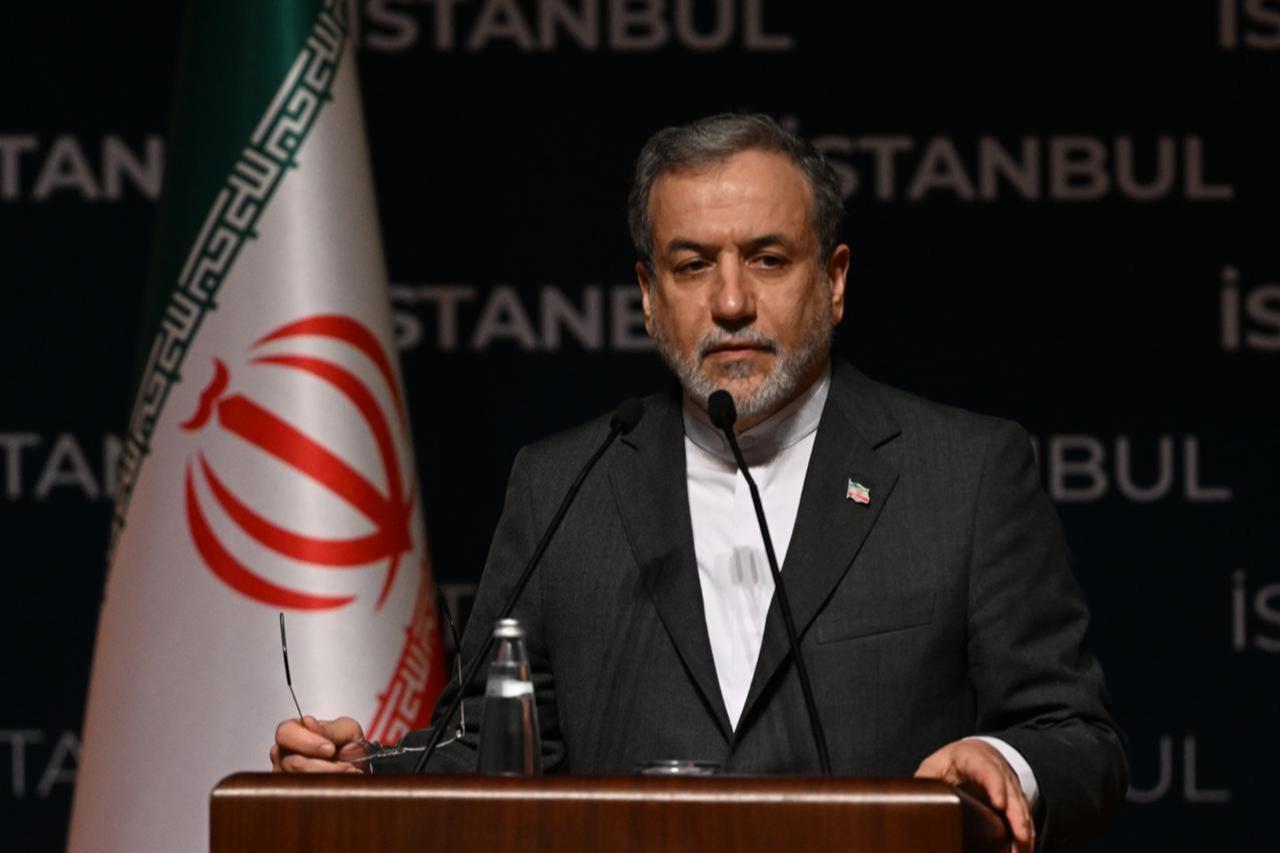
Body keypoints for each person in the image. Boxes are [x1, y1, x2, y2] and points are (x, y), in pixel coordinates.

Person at [272, 113, 1128, 851]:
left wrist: (1006, 765)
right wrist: (367, 770)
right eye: (691, 265)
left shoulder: (965, 473)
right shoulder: (564, 482)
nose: (729, 303)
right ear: (649, 296)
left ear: (832, 281)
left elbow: (1077, 738)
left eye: (766, 259)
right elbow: (493, 748)